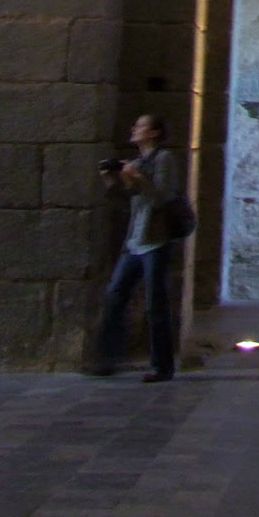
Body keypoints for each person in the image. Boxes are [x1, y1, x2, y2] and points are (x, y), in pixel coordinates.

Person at [90, 113, 183, 383]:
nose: (133, 128)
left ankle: (162, 366)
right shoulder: (138, 162)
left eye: (140, 126)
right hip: (134, 242)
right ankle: (106, 359)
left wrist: (137, 177)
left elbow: (162, 198)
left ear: (154, 133)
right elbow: (128, 204)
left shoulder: (164, 159)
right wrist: (112, 181)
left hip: (156, 241)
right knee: (114, 297)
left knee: (155, 304)